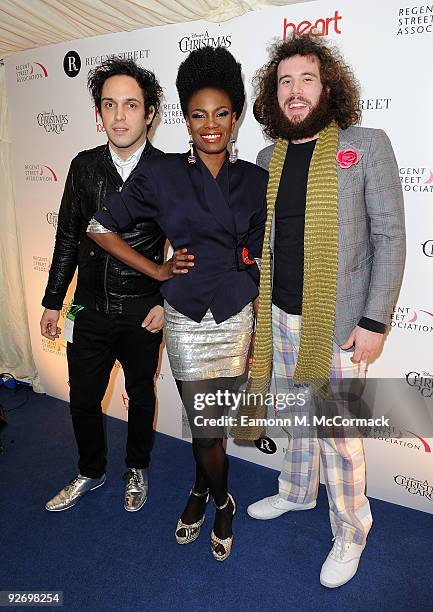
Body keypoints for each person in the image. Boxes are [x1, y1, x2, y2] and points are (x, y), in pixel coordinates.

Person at [86, 46, 268, 561]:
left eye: (221, 114)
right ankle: (222, 499)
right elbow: (102, 227)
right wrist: (158, 271)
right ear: (184, 119)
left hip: (233, 314)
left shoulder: (256, 180)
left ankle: (201, 492)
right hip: (186, 318)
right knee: (204, 425)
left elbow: (258, 249)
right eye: (198, 114)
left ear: (236, 116)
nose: (210, 125)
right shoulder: (161, 173)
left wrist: (248, 284)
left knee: (211, 426)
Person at [240, 35, 405, 587]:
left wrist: (375, 321)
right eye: (284, 81)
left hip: (336, 323)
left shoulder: (366, 144)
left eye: (306, 78)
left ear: (327, 86)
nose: (294, 90)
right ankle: (294, 491)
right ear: (273, 94)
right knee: (296, 418)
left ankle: (352, 531)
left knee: (339, 436)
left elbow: (388, 236)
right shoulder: (268, 157)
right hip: (280, 317)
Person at [41, 57, 172, 513]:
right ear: (99, 112)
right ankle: (90, 470)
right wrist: (54, 301)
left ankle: (137, 466)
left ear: (150, 113)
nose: (119, 116)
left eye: (131, 105)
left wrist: (167, 301)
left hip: (143, 311)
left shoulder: (170, 172)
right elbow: (66, 239)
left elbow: (193, 248)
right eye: (109, 105)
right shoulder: (82, 167)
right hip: (89, 309)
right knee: (82, 400)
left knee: (141, 394)